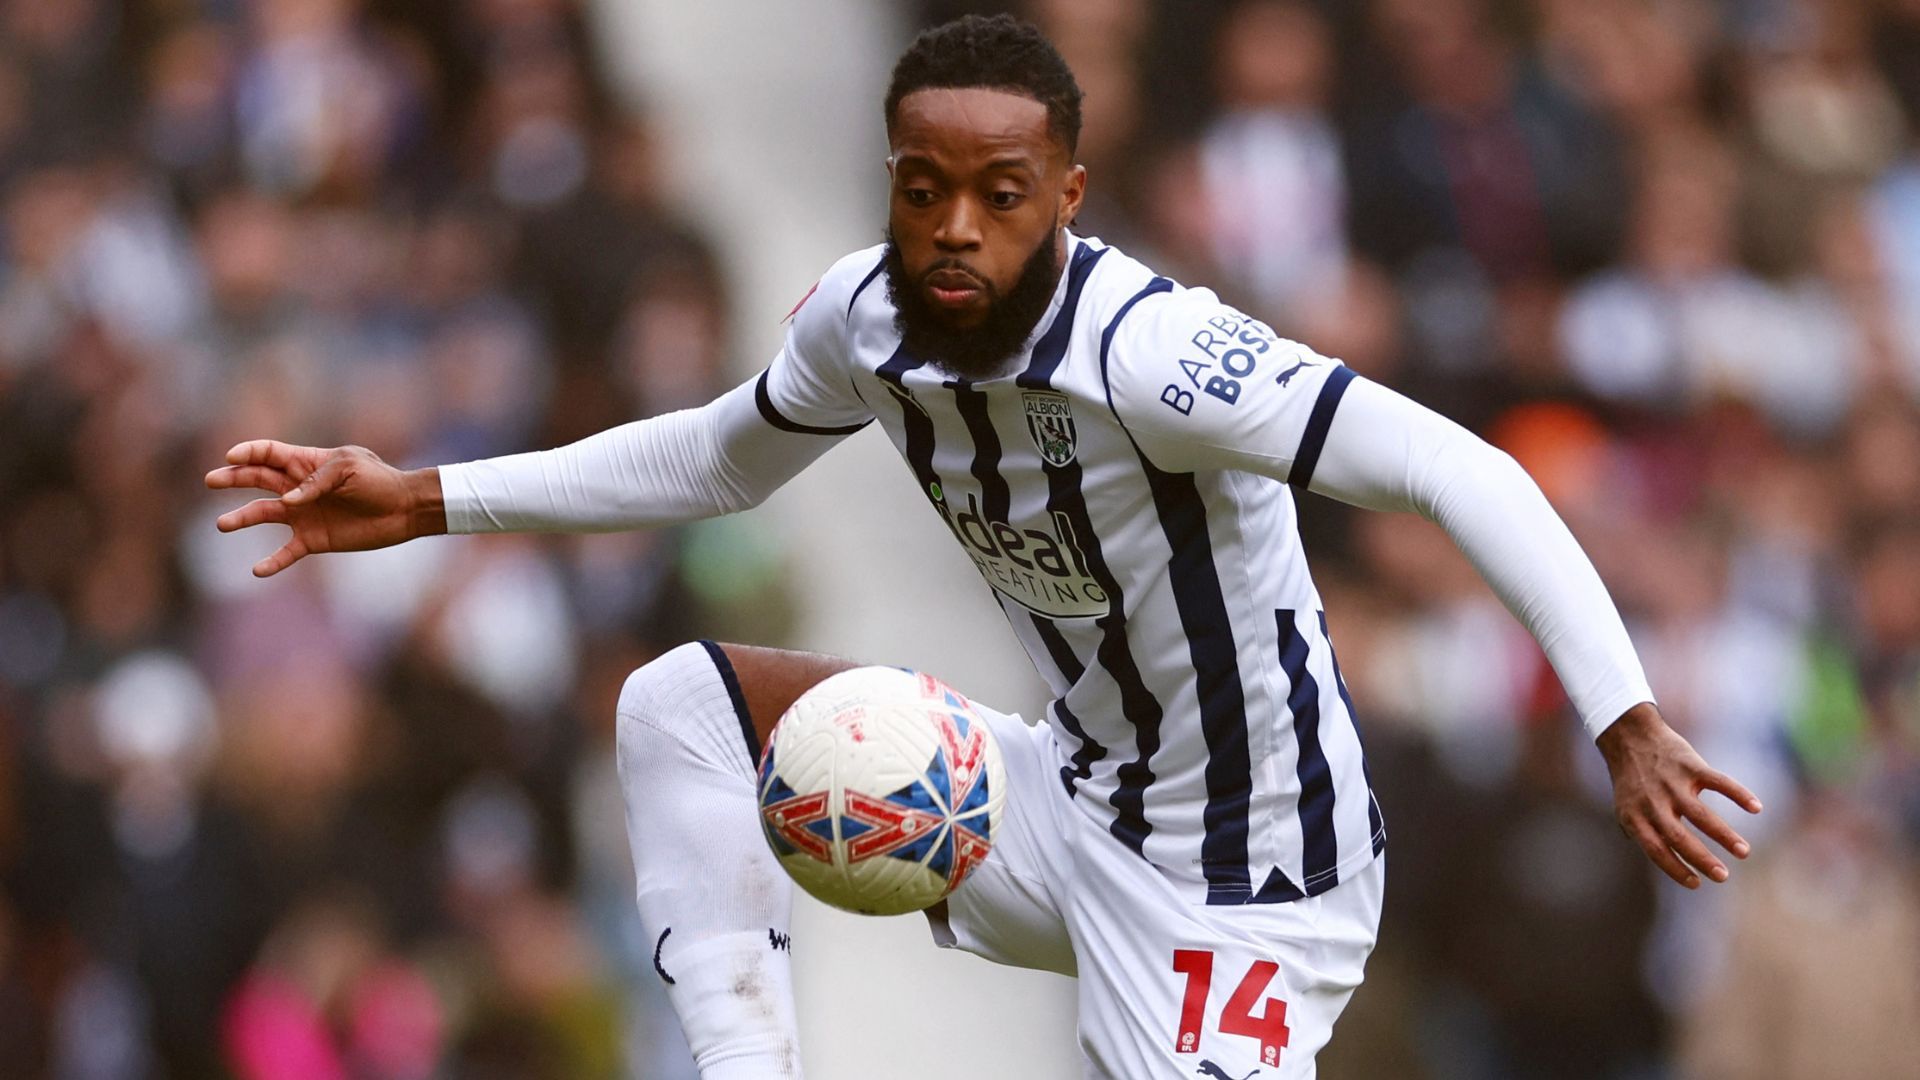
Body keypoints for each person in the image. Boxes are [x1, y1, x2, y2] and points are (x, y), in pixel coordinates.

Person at [206, 15, 1762, 1078]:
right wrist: (420, 498)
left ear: (1067, 199)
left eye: (999, 196)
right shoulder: (863, 319)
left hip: (1245, 886)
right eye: (923, 186)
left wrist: (1619, 715)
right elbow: (715, 459)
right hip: (1054, 800)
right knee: (674, 706)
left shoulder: (1157, 354)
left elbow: (1449, 463)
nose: (954, 226)